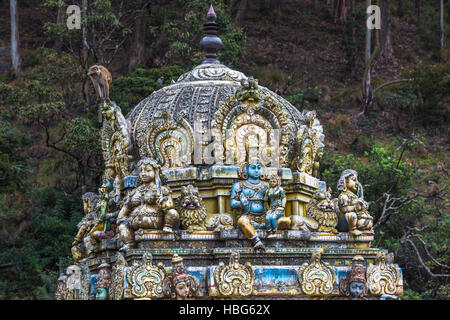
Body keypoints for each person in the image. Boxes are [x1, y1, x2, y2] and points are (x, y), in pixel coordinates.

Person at [117, 157, 179, 250]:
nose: (143, 173)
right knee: (122, 226)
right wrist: (122, 217)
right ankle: (129, 243)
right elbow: (125, 209)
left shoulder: (162, 189)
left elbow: (170, 205)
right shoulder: (134, 191)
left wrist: (162, 202)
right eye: (141, 170)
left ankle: (167, 229)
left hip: (156, 221)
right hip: (134, 224)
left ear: (156, 172)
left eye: (147, 170)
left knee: (173, 213)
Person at [230, 161, 268, 250]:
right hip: (248, 218)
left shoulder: (267, 186)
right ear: (246, 169)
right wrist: (241, 203)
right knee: (241, 221)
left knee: (286, 221)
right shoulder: (239, 185)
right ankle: (256, 241)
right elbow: (232, 204)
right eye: (253, 167)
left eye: (259, 168)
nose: (256, 170)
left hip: (265, 219)